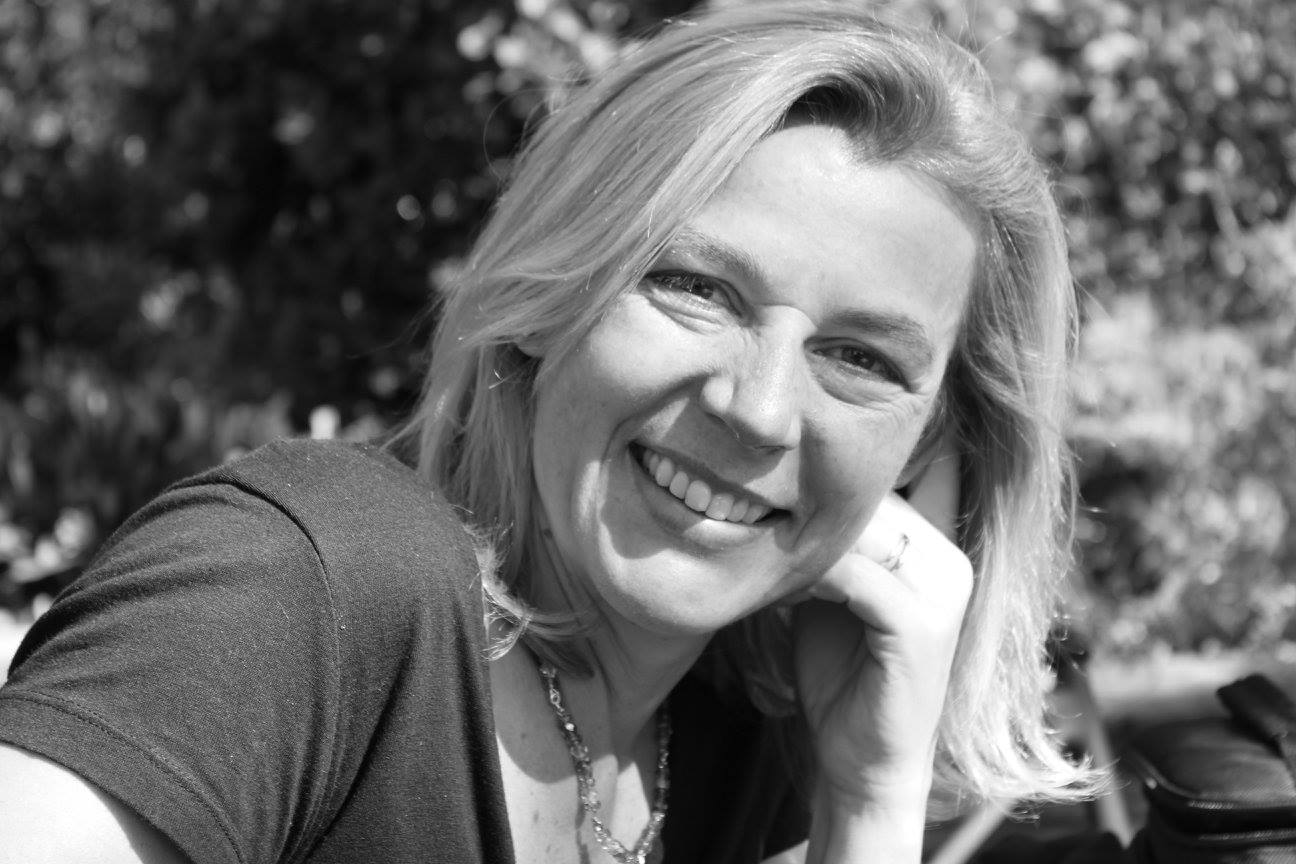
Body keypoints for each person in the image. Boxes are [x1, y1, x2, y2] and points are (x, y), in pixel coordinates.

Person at [0, 2, 1099, 862]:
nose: (758, 409)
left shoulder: (743, 748)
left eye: (861, 359)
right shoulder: (304, 592)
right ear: (548, 291)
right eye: (696, 288)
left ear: (930, 449)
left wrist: (870, 805)